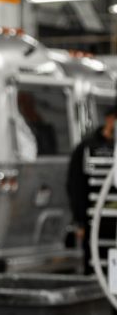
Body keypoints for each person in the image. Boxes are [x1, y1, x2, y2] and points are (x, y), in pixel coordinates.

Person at [66, 107, 117, 272]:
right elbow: (76, 185)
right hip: (95, 218)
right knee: (95, 263)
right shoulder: (87, 147)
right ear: (110, 119)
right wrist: (79, 220)